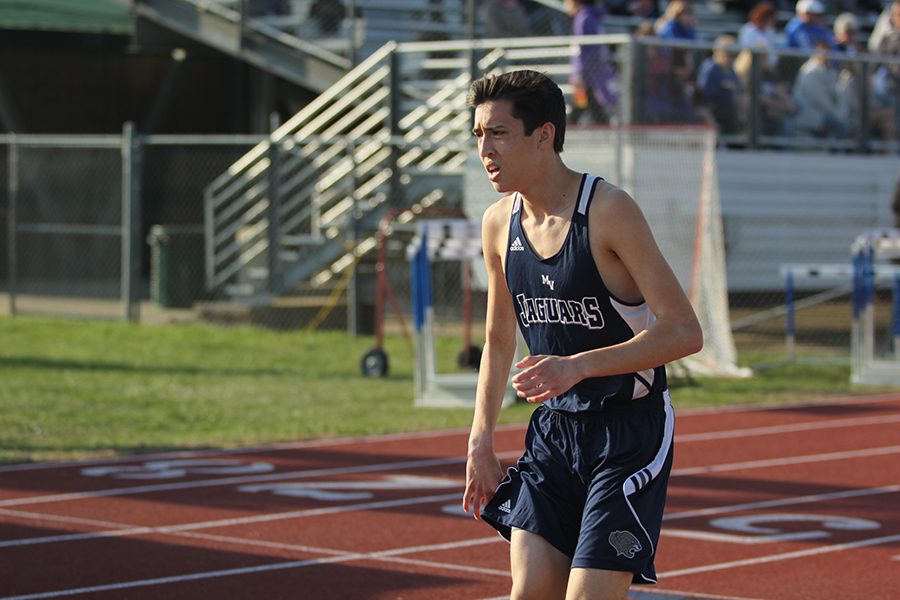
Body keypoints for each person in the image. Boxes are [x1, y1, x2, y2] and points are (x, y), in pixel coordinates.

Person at [462, 69, 703, 599]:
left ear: (544, 135)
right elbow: (499, 340)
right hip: (553, 434)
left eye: (498, 133)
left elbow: (684, 331)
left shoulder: (609, 212)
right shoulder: (498, 223)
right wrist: (480, 436)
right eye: (478, 134)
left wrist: (578, 365)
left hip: (628, 433)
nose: (485, 148)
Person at [565, 0, 620, 124]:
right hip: (591, 73)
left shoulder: (583, 19)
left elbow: (583, 50)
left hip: (587, 74)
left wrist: (578, 75)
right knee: (585, 104)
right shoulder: (589, 18)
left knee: (583, 104)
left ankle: (565, 130)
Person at [792, 41, 845, 139]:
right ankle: (836, 153)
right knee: (839, 124)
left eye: (828, 51)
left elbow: (835, 93)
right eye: (823, 51)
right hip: (809, 112)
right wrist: (836, 113)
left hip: (824, 112)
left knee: (847, 122)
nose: (826, 55)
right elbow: (818, 99)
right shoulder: (810, 71)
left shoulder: (830, 70)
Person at [697, 35, 744, 136]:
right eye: (728, 55)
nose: (731, 59)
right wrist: (723, 87)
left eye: (733, 55)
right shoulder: (710, 67)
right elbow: (703, 92)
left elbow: (738, 88)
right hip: (711, 106)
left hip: (727, 107)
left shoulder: (731, 71)